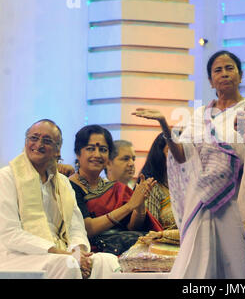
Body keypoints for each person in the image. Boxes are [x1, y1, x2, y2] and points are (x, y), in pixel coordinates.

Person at [133, 50, 245, 278]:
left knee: (235, 265)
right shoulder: (200, 115)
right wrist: (164, 123)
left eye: (229, 68)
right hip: (201, 200)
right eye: (218, 70)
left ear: (240, 75)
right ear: (210, 80)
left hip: (233, 199)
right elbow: (181, 156)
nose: (224, 74)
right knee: (198, 266)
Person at [0, 119, 120, 278]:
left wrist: (78, 254)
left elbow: (76, 228)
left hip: (59, 253)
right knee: (66, 264)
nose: (39, 144)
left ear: (58, 148)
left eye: (47, 141)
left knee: (107, 261)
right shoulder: (7, 177)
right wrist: (61, 253)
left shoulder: (63, 183)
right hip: (17, 255)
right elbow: (10, 234)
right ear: (25, 141)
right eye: (34, 138)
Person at [69, 125, 162, 256]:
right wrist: (129, 206)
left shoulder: (116, 188)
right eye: (90, 149)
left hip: (123, 248)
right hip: (93, 253)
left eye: (103, 150)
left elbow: (132, 228)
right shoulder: (69, 186)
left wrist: (139, 205)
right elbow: (87, 228)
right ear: (78, 153)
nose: (97, 154)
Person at [139, 132, 177, 230]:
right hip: (161, 243)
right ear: (159, 155)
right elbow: (151, 230)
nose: (178, 156)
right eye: (171, 151)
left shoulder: (187, 185)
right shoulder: (152, 186)